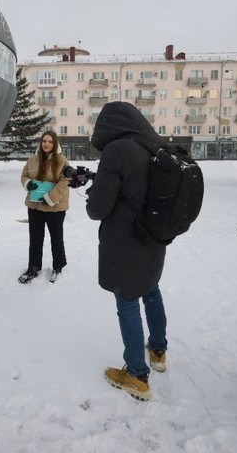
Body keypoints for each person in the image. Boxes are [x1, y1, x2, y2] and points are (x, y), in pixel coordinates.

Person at [85, 101, 168, 401]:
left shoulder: (117, 150)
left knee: (127, 301)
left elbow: (98, 209)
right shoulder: (153, 145)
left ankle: (136, 374)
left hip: (125, 240)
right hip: (154, 236)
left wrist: (94, 193)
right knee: (151, 290)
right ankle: (158, 351)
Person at [18, 130, 71, 284]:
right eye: (44, 141)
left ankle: (58, 267)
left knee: (56, 238)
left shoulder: (62, 160)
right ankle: (33, 268)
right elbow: (24, 176)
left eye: (50, 142)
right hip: (35, 206)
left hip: (55, 207)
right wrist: (28, 183)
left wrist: (50, 198)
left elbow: (65, 181)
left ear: (55, 144)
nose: (46, 144)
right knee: (35, 238)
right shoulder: (33, 160)